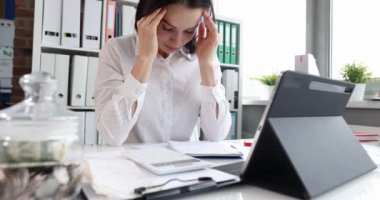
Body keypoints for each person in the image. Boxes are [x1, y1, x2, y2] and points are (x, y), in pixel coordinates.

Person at [95, 0, 231, 145]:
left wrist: (207, 65)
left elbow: (217, 134)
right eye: (167, 28)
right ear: (146, 16)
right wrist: (145, 58)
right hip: (131, 165)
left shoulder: (205, 56)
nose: (177, 41)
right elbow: (111, 135)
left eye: (189, 31)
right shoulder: (116, 50)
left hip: (185, 164)